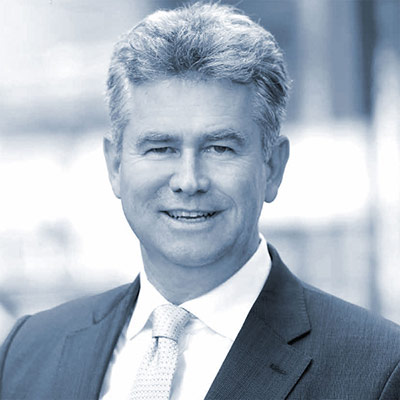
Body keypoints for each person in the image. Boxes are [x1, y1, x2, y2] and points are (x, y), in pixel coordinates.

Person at [1, 3, 400, 399]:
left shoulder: (377, 371)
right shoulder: (28, 351)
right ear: (115, 165)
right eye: (161, 148)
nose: (189, 181)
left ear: (273, 167)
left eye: (220, 148)